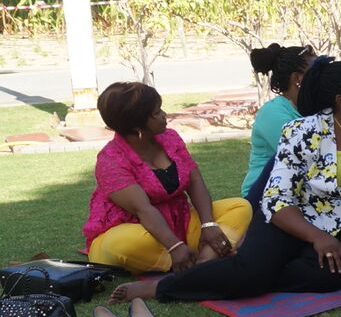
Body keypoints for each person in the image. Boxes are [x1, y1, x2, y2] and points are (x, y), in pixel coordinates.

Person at [112, 58, 341, 303]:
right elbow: (277, 200)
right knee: (252, 272)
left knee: (327, 277)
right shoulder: (301, 132)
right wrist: (318, 237)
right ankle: (163, 287)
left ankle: (239, 273)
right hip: (290, 217)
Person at [84, 83, 252, 274]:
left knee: (240, 207)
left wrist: (208, 224)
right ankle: (182, 261)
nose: (165, 115)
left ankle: (203, 265)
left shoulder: (170, 138)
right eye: (157, 112)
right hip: (138, 231)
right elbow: (143, 209)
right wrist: (174, 246)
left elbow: (195, 180)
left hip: (180, 224)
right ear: (137, 125)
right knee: (125, 243)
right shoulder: (110, 160)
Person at [243, 43, 313, 202]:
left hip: (297, 191)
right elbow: (307, 157)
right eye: (318, 72)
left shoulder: (311, 107)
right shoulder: (273, 113)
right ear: (297, 78)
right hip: (263, 196)